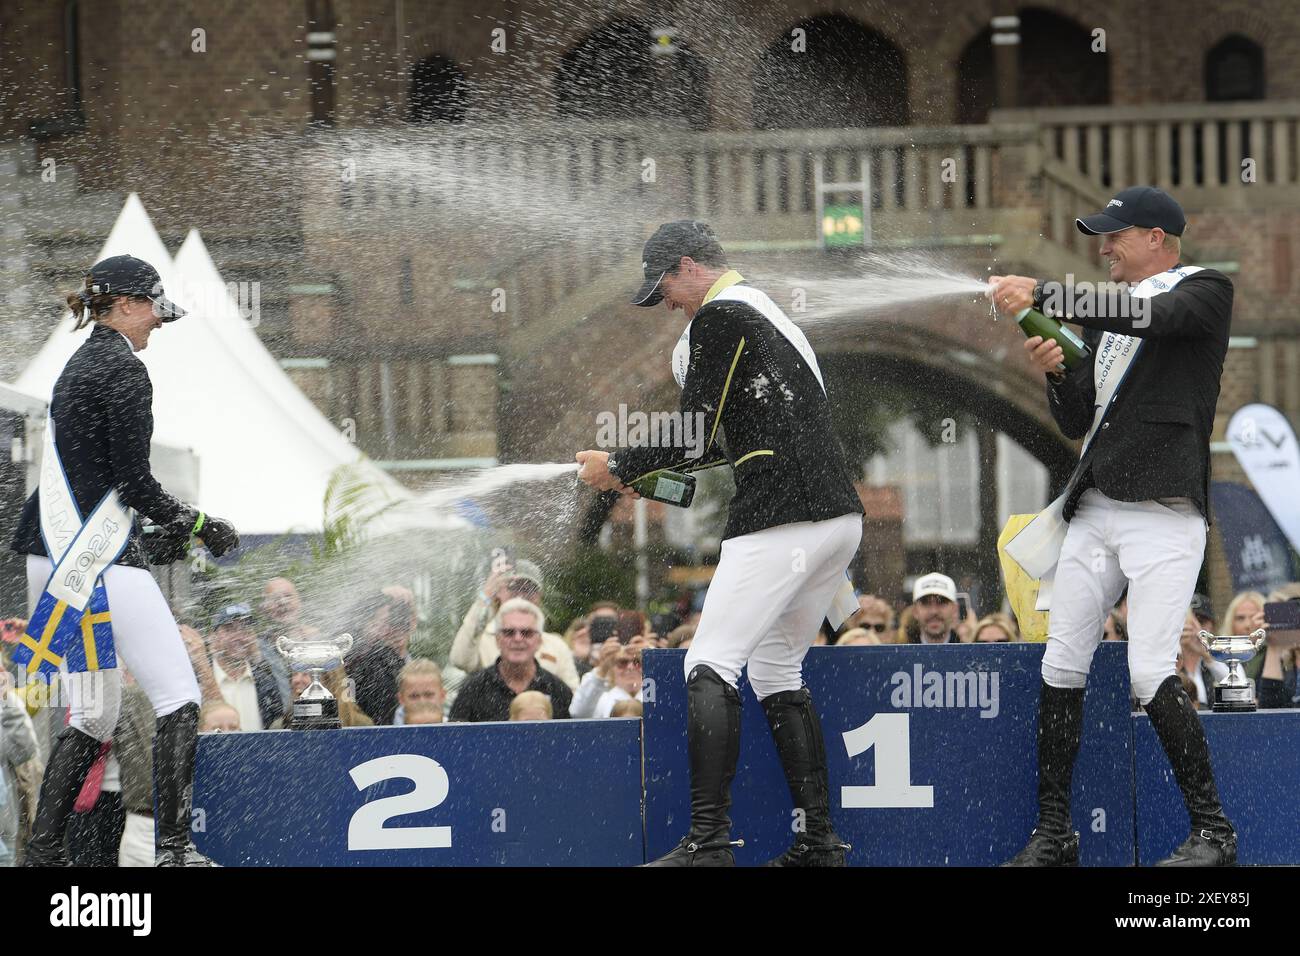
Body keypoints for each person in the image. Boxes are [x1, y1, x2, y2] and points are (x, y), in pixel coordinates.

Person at [577, 221, 864, 866]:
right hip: (837, 517)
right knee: (774, 669)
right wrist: (643, 479)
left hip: (782, 516)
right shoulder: (764, 314)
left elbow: (693, 431)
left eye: (666, 292)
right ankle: (819, 843)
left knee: (708, 664)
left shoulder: (720, 315)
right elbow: (716, 445)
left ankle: (709, 844)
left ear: (686, 267)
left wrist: (618, 466)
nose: (669, 308)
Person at [991, 186, 1237, 866]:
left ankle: (1214, 833)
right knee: (1061, 663)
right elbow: (1076, 421)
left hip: (1162, 511)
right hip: (1096, 507)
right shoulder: (1108, 317)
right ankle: (1054, 834)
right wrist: (1058, 373)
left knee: (1150, 668)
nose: (1104, 247)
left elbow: (1151, 318)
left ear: (1158, 237)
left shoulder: (1205, 290)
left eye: (1115, 236)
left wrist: (1044, 292)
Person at [10, 255, 239, 866]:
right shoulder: (126, 371)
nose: (157, 326)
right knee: (178, 698)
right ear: (130, 304)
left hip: (51, 552)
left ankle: (43, 853)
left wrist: (155, 534)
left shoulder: (76, 366)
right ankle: (172, 850)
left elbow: (96, 477)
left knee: (91, 714)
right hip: (97, 557)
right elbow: (135, 482)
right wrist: (199, 523)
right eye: (155, 312)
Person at [449, 559, 580, 691]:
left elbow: (571, 696)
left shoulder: (556, 645)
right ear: (498, 592)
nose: (521, 594)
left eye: (529, 589)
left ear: (538, 597)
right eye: (513, 586)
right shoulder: (481, 638)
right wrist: (485, 598)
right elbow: (459, 660)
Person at [448, 599, 572, 723]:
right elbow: (454, 739)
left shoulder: (558, 691)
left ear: (539, 641)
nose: (517, 638)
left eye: (526, 633)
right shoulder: (473, 689)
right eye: (509, 632)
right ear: (497, 639)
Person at [207, 603, 283, 732]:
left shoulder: (266, 682)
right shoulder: (198, 681)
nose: (238, 637)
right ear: (213, 636)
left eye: (245, 629)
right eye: (229, 629)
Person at [911, 574, 962, 644]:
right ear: (915, 611)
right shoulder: (899, 653)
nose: (934, 611)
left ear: (955, 609)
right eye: (926, 603)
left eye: (942, 602)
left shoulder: (972, 653)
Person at [392, 659, 446, 725]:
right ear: (401, 699)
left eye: (428, 695)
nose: (422, 701)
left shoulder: (458, 730)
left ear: (442, 696)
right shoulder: (383, 732)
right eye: (414, 696)